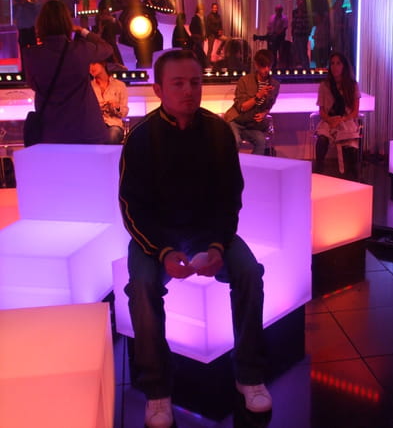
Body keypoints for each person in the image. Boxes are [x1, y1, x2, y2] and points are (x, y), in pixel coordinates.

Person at [119, 49, 272, 428]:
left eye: (195, 82)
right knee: (141, 286)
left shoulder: (219, 132)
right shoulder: (140, 138)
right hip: (157, 238)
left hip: (209, 233)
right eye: (178, 83)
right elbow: (132, 207)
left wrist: (217, 245)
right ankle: (157, 391)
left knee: (249, 273)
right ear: (158, 89)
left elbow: (229, 197)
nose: (189, 90)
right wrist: (164, 251)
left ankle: (249, 374)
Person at [23, 0, 114, 144]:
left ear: (41, 24)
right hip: (86, 130)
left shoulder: (31, 55)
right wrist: (82, 31)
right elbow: (107, 48)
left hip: (51, 132)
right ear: (67, 23)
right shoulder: (80, 49)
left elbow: (33, 85)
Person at [314, 52, 361, 180]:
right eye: (332, 63)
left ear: (344, 66)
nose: (335, 67)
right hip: (329, 120)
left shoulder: (352, 85)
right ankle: (318, 174)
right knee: (322, 140)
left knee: (350, 144)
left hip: (346, 120)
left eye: (338, 63)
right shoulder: (324, 85)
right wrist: (330, 120)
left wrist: (342, 119)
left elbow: (355, 112)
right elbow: (321, 111)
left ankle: (353, 177)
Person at [224, 49, 280, 155]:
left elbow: (270, 104)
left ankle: (253, 164)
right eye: (263, 66)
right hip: (236, 120)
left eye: (269, 66)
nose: (266, 69)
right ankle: (232, 165)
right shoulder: (244, 80)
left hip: (252, 125)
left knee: (261, 141)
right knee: (235, 141)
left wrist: (264, 113)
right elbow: (242, 107)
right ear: (256, 65)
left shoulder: (274, 84)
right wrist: (258, 95)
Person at [89, 61, 129, 143]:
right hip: (95, 126)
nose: (91, 68)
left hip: (114, 125)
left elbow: (124, 112)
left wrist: (117, 107)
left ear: (103, 63)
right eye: (88, 65)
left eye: (93, 63)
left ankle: (106, 151)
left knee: (112, 134)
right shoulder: (89, 86)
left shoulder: (119, 85)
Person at [94, 0, 124, 67]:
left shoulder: (111, 20)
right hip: (102, 48)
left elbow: (120, 30)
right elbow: (96, 35)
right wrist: (100, 27)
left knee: (117, 66)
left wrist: (112, 19)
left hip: (112, 47)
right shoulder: (98, 20)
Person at [291, 0, 311, 70]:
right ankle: (297, 67)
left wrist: (301, 16)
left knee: (303, 52)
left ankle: (306, 68)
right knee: (296, 51)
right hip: (296, 34)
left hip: (303, 34)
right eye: (298, 3)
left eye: (301, 3)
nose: (299, 4)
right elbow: (293, 22)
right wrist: (292, 32)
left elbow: (307, 24)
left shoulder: (307, 12)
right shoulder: (295, 12)